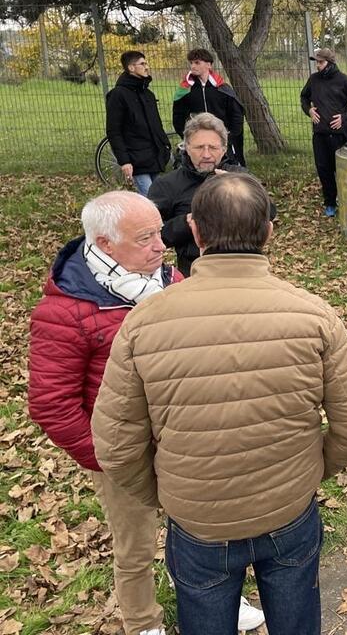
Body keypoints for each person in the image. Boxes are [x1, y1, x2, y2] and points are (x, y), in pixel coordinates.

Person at [92, 173, 347, 635]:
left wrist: (170, 494)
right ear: (269, 231)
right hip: (289, 511)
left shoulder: (143, 323)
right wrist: (311, 470)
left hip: (198, 521)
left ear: (195, 230)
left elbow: (115, 447)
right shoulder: (313, 314)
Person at [27, 192, 268, 635]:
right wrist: (108, 457)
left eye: (159, 231)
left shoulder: (169, 280)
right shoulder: (66, 311)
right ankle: (142, 623)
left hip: (181, 441)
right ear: (105, 243)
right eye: (145, 237)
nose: (161, 245)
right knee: (135, 547)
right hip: (121, 452)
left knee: (199, 530)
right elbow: (51, 402)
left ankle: (216, 597)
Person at [148, 113, 247, 276]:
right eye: (199, 147)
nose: (206, 154)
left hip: (240, 267)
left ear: (224, 149)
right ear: (186, 147)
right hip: (193, 270)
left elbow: (268, 212)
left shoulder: (239, 176)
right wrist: (188, 222)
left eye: (213, 148)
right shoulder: (167, 185)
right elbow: (153, 235)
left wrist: (237, 188)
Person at [300, 48, 347, 217]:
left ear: (330, 63)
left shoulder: (344, 80)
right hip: (320, 134)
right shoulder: (313, 80)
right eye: (316, 62)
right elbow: (304, 97)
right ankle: (330, 202)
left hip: (340, 135)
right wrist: (309, 110)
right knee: (324, 169)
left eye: (320, 62)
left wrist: (345, 118)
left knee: (343, 170)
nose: (318, 66)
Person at [105, 51, 171, 197]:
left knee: (159, 199)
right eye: (142, 64)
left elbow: (156, 126)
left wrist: (165, 146)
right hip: (136, 159)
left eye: (146, 63)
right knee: (151, 200)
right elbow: (113, 131)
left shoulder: (148, 94)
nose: (147, 67)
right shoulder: (118, 95)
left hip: (154, 156)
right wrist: (124, 161)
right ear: (131, 68)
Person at [172, 48, 247, 166]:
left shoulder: (222, 89)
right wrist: (188, 137)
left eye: (197, 62)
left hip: (222, 141)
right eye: (191, 63)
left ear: (208, 65)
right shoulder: (185, 90)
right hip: (198, 141)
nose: (193, 66)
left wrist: (230, 136)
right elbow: (178, 116)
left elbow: (236, 114)